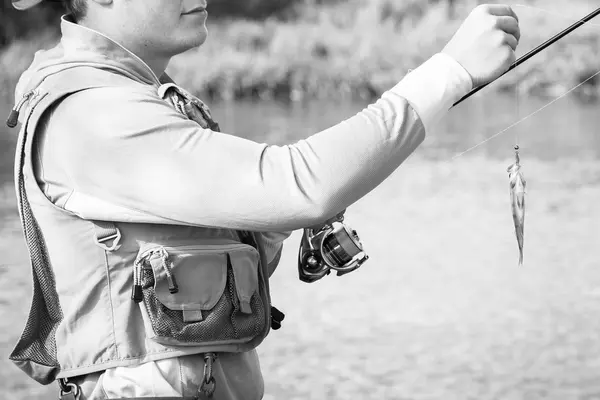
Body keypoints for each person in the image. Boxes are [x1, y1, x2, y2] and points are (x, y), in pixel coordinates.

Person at [6, 0, 520, 399]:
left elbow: (262, 222)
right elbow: (298, 183)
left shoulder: (129, 98)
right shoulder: (92, 114)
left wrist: (291, 214)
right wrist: (451, 71)